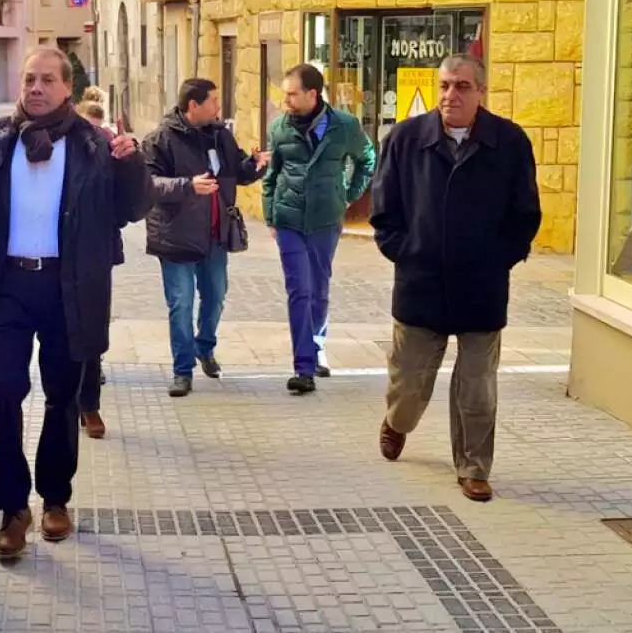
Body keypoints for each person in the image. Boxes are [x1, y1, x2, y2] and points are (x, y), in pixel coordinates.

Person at [0, 46, 151, 558]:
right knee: (2, 392)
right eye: (29, 79)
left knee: (63, 397)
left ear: (67, 88)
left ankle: (55, 498)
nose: (35, 88)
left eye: (46, 80)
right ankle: (12, 508)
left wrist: (131, 163)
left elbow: (131, 209)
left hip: (68, 287)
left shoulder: (93, 144)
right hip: (6, 286)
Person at [369, 53, 541, 503]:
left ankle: (473, 466)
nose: (451, 95)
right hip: (421, 284)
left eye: (462, 86)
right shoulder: (406, 139)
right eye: (445, 85)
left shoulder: (509, 142)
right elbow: (384, 210)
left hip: (481, 286)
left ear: (481, 92)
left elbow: (525, 214)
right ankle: (396, 423)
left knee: (478, 385)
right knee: (409, 384)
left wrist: (500, 257)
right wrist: (405, 252)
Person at [141, 78, 269, 398]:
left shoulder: (220, 134)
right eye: (212, 100)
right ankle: (182, 371)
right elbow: (148, 185)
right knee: (181, 304)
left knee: (215, 297)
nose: (218, 106)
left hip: (215, 235)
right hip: (176, 237)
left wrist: (255, 165)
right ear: (193, 106)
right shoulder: (160, 139)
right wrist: (187, 185)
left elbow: (237, 171)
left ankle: (204, 347)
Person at [262, 63, 376, 395]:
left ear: (313, 94)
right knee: (299, 289)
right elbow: (272, 175)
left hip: (326, 220)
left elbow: (367, 159)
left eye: (292, 94)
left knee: (319, 287)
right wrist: (270, 215)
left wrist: (348, 196)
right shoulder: (279, 128)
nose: (285, 100)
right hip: (289, 219)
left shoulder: (344, 126)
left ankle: (317, 343)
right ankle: (303, 367)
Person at [73, 98, 119, 439]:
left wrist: (130, 164)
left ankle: (89, 404)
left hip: (90, 256)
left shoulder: (104, 146)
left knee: (89, 334)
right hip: (48, 257)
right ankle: (67, 403)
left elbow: (126, 203)